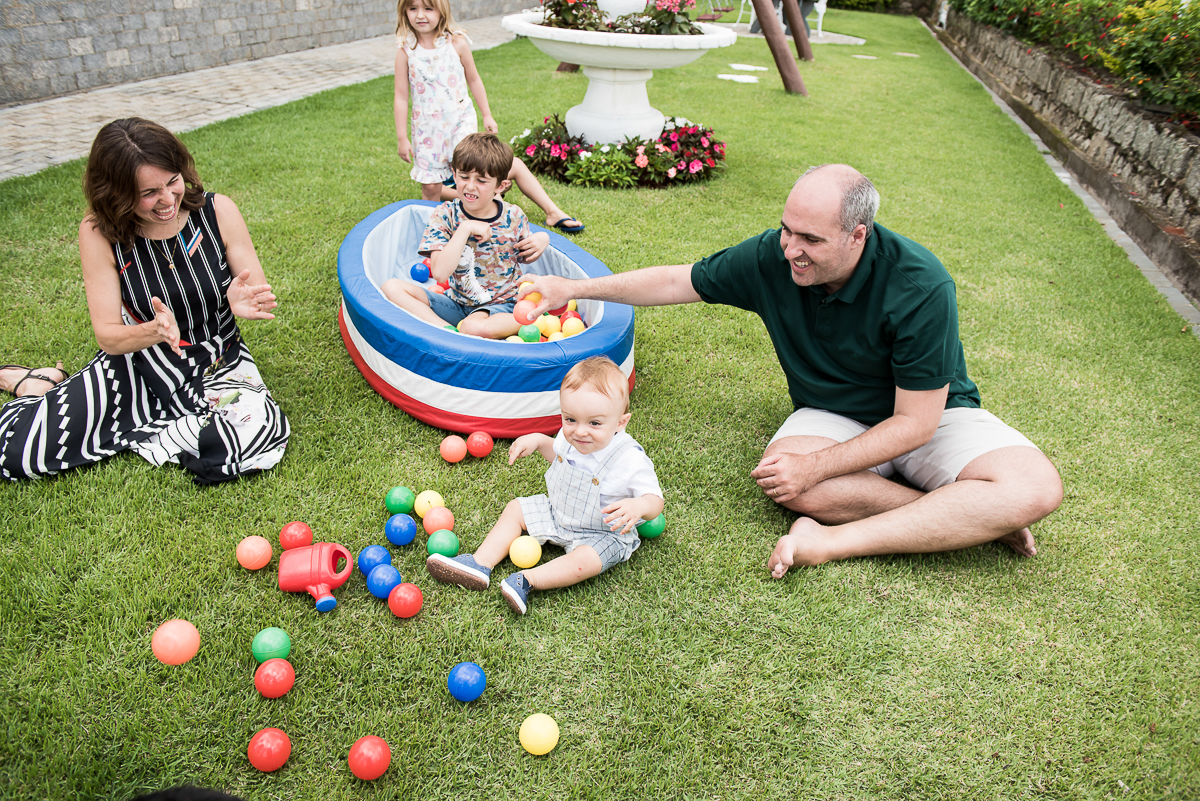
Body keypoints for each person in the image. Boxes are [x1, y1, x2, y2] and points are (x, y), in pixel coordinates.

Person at [517, 164, 1063, 573]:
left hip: (926, 417)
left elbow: (916, 425)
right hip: (830, 413)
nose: (790, 250)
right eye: (786, 230)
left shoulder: (919, 285)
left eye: (810, 240)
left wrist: (821, 465)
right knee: (787, 481)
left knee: (1034, 489)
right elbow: (676, 281)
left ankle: (832, 542)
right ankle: (961, 517)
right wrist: (575, 288)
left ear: (859, 234)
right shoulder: (773, 257)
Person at [0, 118, 290, 484]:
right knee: (15, 450)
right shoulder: (99, 233)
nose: (168, 200)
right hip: (140, 363)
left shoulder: (218, 211)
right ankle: (34, 386)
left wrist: (237, 297)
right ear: (117, 193)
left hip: (217, 359)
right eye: (148, 193)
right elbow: (108, 335)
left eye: (172, 182)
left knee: (253, 436)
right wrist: (153, 331)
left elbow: (254, 287)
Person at [426, 356, 664, 614]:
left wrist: (639, 505)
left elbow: (655, 501)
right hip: (557, 512)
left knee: (586, 562)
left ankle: (527, 581)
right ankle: (479, 564)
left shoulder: (629, 458)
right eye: (570, 419)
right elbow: (562, 459)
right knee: (516, 508)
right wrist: (541, 442)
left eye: (594, 423)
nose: (580, 431)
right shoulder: (570, 436)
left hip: (602, 532)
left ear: (620, 422)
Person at [394, 0, 585, 233]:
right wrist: (402, 138)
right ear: (404, 11)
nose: (420, 15)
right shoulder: (406, 52)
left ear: (441, 10)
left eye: (428, 8)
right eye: (413, 8)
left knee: (479, 167)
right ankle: (435, 233)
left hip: (459, 125)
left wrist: (487, 115)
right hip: (427, 132)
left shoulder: (456, 43)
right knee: (431, 187)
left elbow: (474, 79)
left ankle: (552, 212)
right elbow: (401, 97)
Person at [380, 133, 549, 339]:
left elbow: (525, 255)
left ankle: (533, 314)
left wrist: (542, 239)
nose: (470, 186)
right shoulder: (445, 214)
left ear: (500, 186)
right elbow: (441, 274)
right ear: (454, 173)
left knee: (472, 327)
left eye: (481, 180)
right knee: (392, 287)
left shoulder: (513, 216)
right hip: (457, 303)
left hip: (500, 305)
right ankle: (446, 331)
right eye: (464, 176)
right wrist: (465, 228)